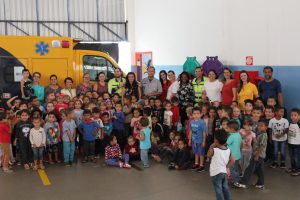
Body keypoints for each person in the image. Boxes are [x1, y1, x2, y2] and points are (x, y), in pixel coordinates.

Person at [236, 119, 268, 189]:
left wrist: (257, 155)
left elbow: (261, 146)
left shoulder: (263, 135)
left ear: (266, 127)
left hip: (258, 155)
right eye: (259, 125)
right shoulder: (260, 134)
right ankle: (260, 183)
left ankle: (243, 183)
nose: (259, 127)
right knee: (260, 170)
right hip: (260, 155)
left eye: (262, 126)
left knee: (249, 169)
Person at [207, 130, 235, 200]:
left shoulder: (214, 150)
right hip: (223, 172)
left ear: (216, 141)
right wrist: (226, 167)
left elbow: (208, 155)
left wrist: (211, 146)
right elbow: (233, 161)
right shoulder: (228, 150)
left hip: (215, 173)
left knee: (218, 189)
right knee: (225, 187)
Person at [189, 107, 207, 172]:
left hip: (200, 141)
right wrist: (190, 140)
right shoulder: (191, 122)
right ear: (192, 115)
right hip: (194, 141)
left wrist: (204, 141)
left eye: (198, 113)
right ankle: (196, 163)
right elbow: (190, 131)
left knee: (201, 153)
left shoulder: (202, 122)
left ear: (200, 114)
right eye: (194, 114)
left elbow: (204, 132)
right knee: (196, 152)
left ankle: (201, 165)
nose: (196, 115)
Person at [226, 120, 242, 187]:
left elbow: (226, 143)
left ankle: (235, 182)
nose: (227, 129)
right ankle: (235, 180)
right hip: (237, 155)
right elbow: (241, 144)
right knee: (235, 169)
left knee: (232, 169)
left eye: (228, 128)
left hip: (232, 156)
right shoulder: (238, 135)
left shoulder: (231, 136)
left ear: (232, 129)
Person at [287, 108, 300, 176]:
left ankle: (298, 170)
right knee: (292, 157)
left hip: (297, 145)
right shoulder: (290, 123)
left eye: (295, 115)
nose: (293, 117)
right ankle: (293, 168)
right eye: (292, 115)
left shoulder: (299, 124)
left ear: (299, 116)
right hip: (290, 143)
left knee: (296, 158)